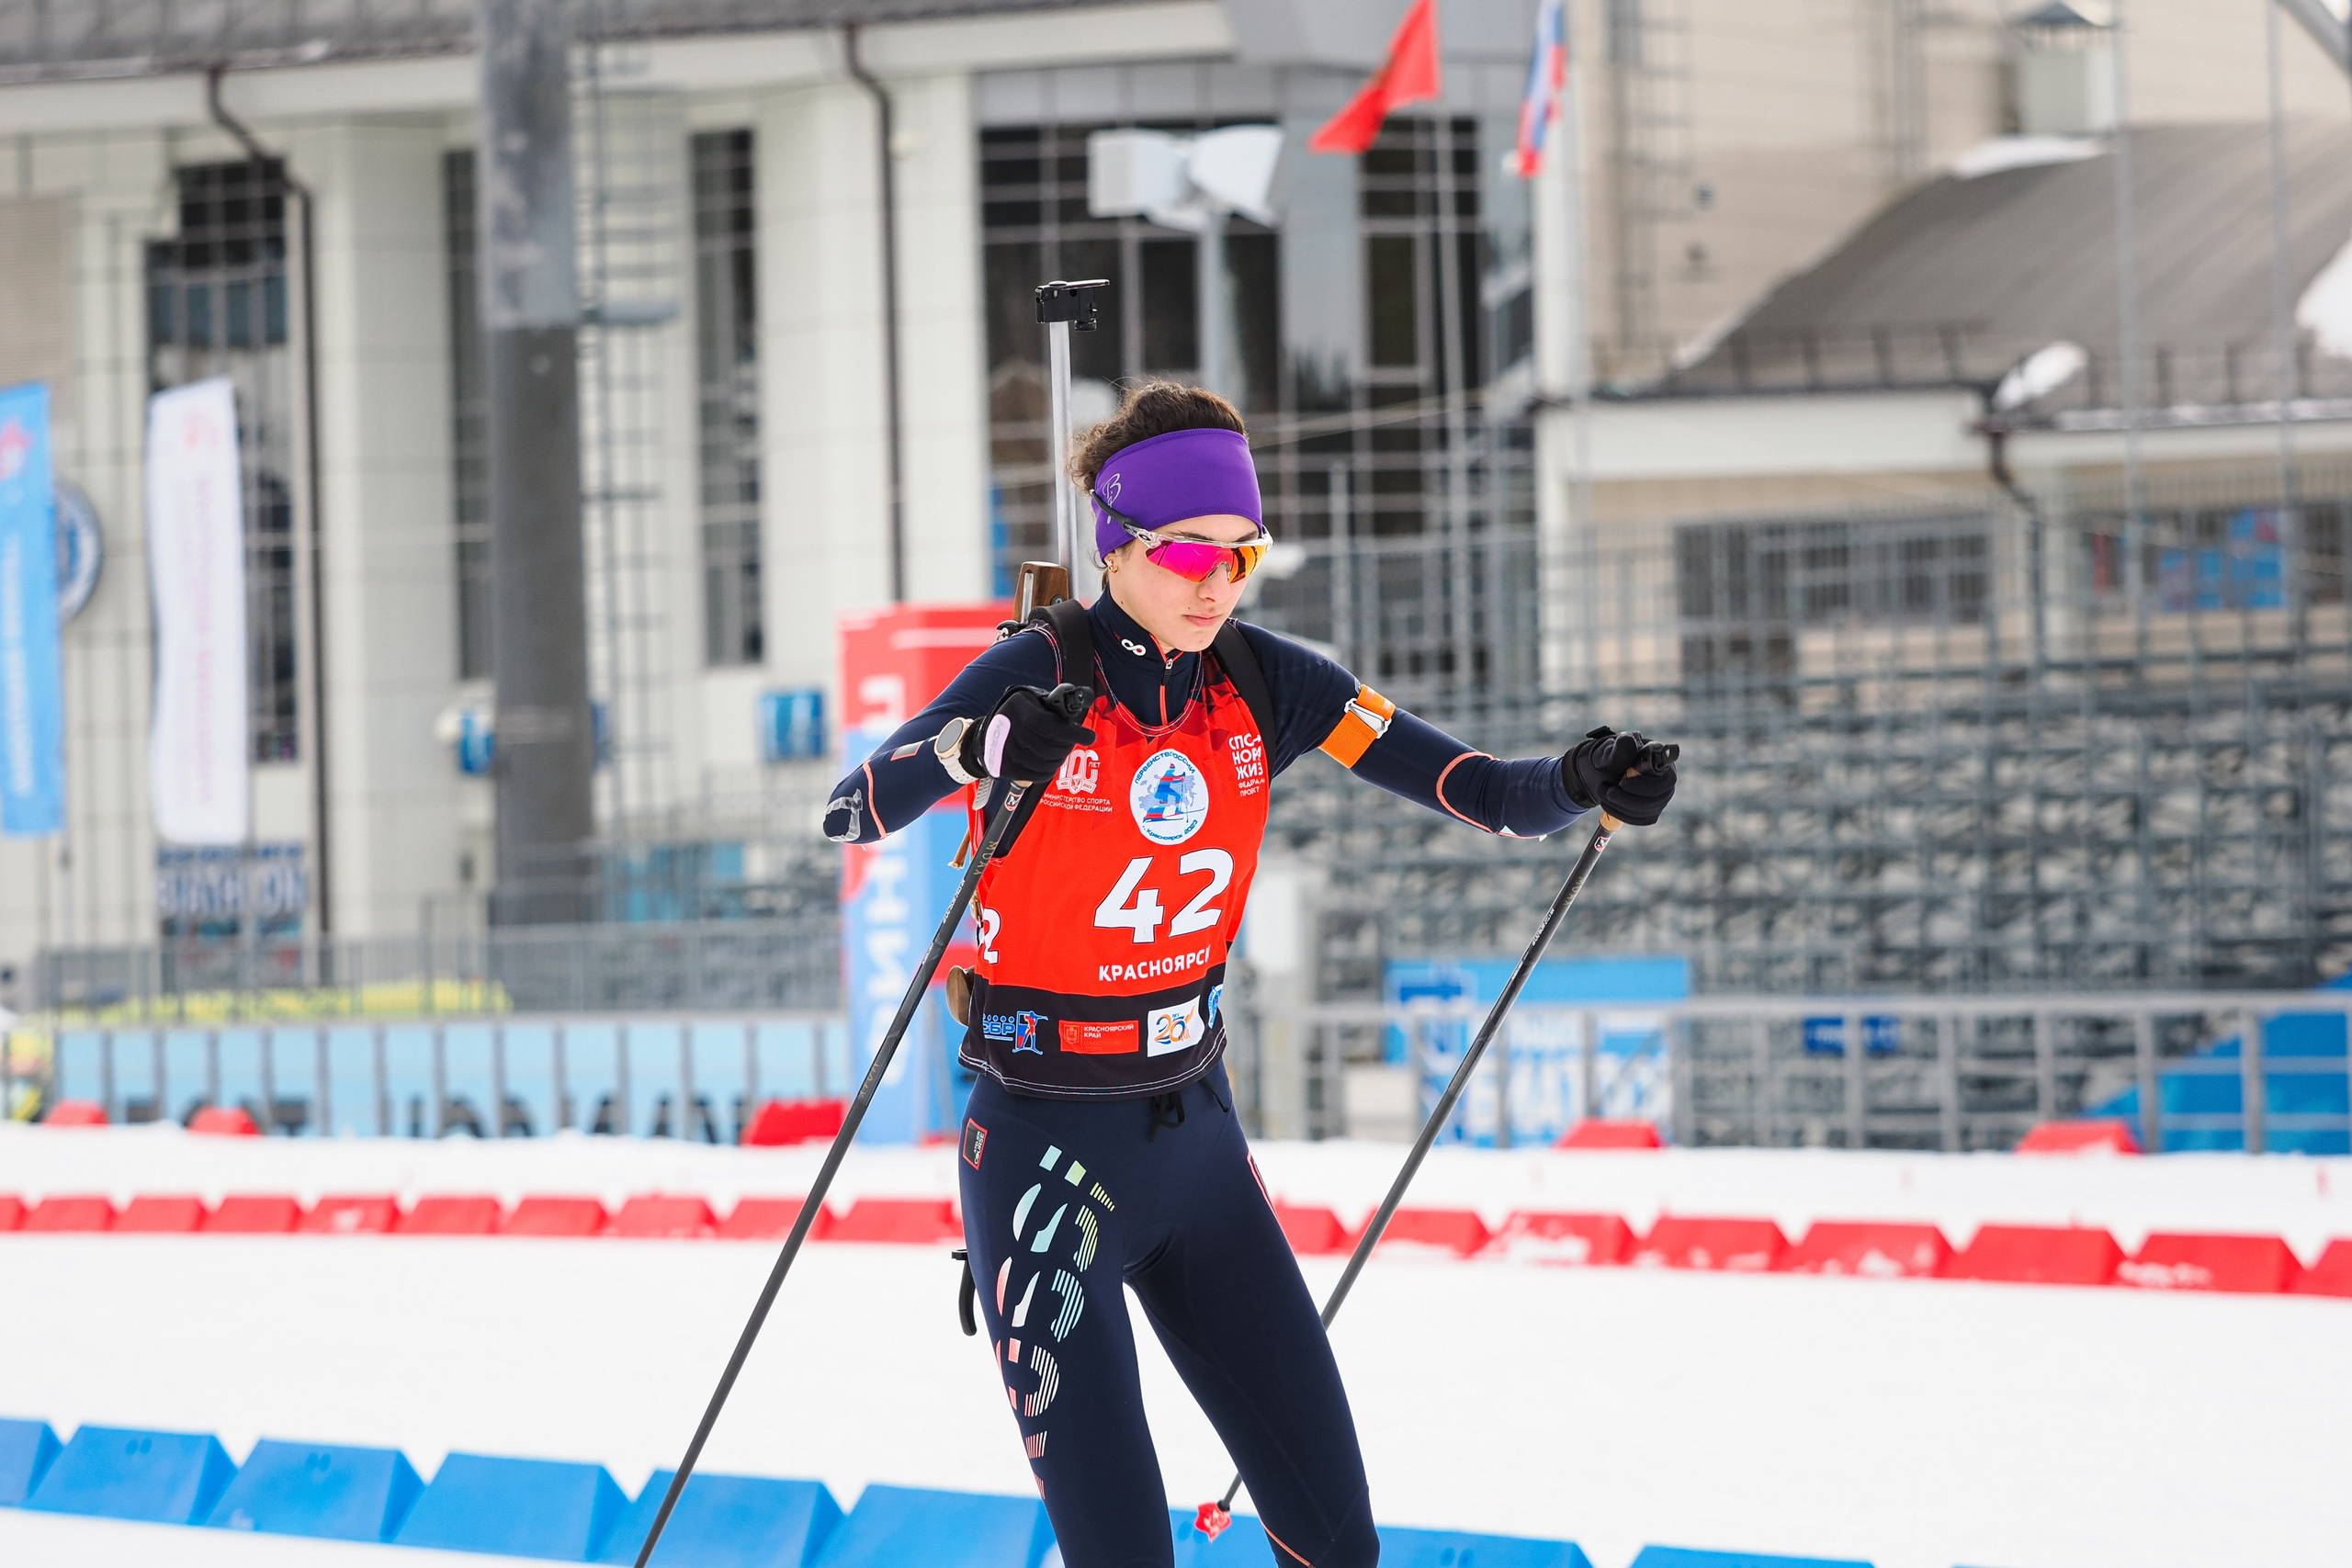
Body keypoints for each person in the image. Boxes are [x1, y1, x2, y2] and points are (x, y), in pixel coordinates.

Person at [823, 382, 1677, 1567]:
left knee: (1338, 1542)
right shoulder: (1034, 671)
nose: (1216, 582)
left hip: (1197, 1145)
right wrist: (982, 745)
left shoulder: (1272, 681)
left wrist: (1586, 778)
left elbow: (1485, 791)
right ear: (1119, 544)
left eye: (1242, 553)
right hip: (1044, 1149)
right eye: (1188, 552)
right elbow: (852, 809)